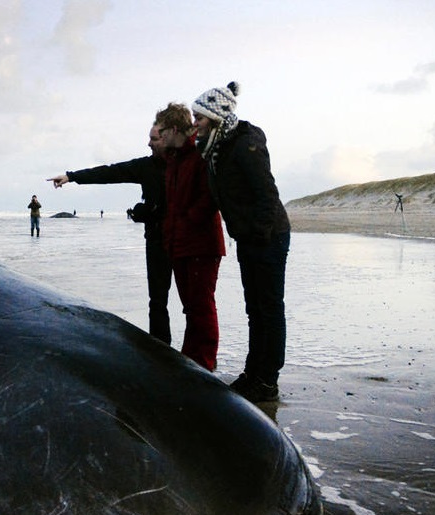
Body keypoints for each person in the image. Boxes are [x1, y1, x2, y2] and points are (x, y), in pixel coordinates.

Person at [192, 81, 290, 402]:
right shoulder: (216, 147)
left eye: (200, 119)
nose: (196, 125)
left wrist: (258, 237)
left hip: (268, 237)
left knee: (269, 308)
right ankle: (253, 373)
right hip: (249, 237)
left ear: (217, 118)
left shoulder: (245, 144)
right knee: (254, 309)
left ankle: (267, 381)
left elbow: (267, 195)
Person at [47, 124, 172, 344]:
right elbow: (110, 172)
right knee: (157, 301)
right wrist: (72, 176)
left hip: (185, 241)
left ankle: (198, 364)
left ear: (170, 137)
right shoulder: (146, 166)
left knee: (194, 304)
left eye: (154, 139)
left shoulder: (188, 163)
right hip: (156, 239)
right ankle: (161, 353)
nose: (149, 143)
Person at [155, 103, 224, 371]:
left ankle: (204, 363)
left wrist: (188, 221)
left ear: (173, 129)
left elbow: (209, 197)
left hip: (201, 243)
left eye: (162, 131)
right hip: (180, 243)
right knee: (191, 307)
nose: (159, 137)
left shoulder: (200, 153)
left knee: (202, 306)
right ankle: (192, 359)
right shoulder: (174, 159)